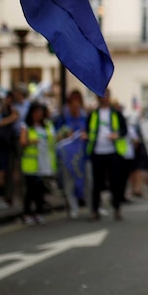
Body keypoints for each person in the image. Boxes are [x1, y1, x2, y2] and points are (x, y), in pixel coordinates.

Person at [86, 89, 129, 221]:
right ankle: (95, 210)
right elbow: (88, 130)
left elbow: (124, 130)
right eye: (100, 95)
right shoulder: (93, 114)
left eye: (105, 95)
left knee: (115, 182)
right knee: (97, 183)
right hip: (97, 152)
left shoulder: (116, 113)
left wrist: (117, 135)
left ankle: (117, 209)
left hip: (113, 151)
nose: (103, 98)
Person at [52, 89, 89, 220]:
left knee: (86, 183)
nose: (75, 107)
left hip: (82, 156)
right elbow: (55, 135)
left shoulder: (85, 117)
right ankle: (74, 208)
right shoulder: (61, 118)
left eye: (77, 104)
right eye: (72, 105)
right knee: (69, 184)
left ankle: (91, 207)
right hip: (67, 158)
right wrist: (64, 135)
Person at [19, 101, 56, 225]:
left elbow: (53, 141)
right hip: (31, 164)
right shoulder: (26, 126)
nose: (38, 115)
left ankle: (39, 212)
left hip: (44, 162)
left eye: (41, 112)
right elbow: (22, 142)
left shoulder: (47, 125)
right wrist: (31, 141)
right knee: (30, 190)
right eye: (36, 112)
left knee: (40, 190)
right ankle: (26, 213)